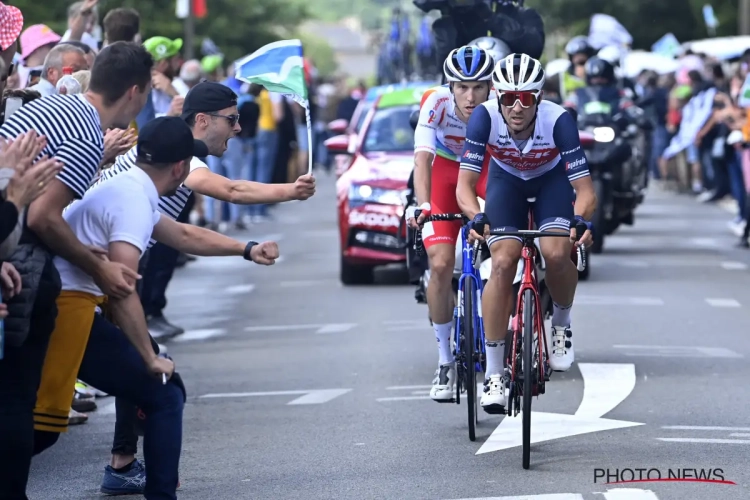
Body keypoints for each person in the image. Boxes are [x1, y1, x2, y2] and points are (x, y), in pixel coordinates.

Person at [35, 116, 280, 500]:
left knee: (160, 393)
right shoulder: (133, 199)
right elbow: (121, 287)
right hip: (67, 306)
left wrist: (247, 249)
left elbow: (181, 234)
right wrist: (148, 357)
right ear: (181, 167)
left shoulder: (131, 187)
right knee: (156, 396)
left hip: (72, 303)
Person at [0, 40, 153, 500]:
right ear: (135, 92)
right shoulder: (87, 132)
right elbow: (43, 217)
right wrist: (98, 266)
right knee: (18, 401)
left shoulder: (62, 109)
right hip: (17, 265)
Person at [455, 53, 596, 413]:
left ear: (540, 98)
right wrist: (477, 217)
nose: (517, 107)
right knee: (502, 262)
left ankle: (561, 325)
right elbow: (465, 187)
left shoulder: (559, 121)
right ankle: (495, 373)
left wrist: (579, 221)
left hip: (550, 183)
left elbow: (585, 192)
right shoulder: (484, 118)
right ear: (497, 97)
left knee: (555, 251)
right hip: (507, 184)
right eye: (508, 98)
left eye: (527, 98)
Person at [405, 45, 493, 402]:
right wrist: (423, 204)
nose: (470, 97)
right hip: (444, 170)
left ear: (491, 88)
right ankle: (444, 360)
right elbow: (422, 158)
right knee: (440, 264)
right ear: (449, 86)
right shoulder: (435, 102)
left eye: (478, 88)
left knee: (503, 253)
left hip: (485, 167)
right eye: (461, 87)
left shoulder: (500, 102)